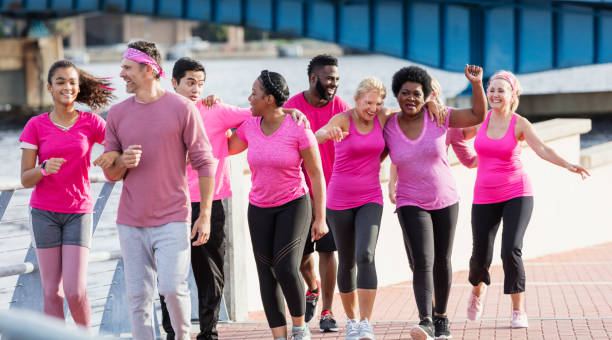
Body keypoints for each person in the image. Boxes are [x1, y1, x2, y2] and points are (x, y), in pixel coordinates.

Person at [159, 57, 308, 340]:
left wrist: (290, 111)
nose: (196, 89)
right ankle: (173, 333)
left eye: (201, 84)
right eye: (190, 82)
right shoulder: (161, 113)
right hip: (169, 203)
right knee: (169, 277)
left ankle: (208, 333)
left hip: (209, 203)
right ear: (174, 83)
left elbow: (262, 112)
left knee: (210, 275)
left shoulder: (215, 111)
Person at [101, 41, 216, 340]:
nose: (122, 73)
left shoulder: (182, 108)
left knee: (171, 288)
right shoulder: (116, 114)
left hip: (173, 217)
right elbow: (111, 173)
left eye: (127, 68)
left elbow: (205, 162)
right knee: (138, 297)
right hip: (130, 220)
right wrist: (122, 162)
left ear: (149, 70)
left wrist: (204, 215)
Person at [465, 70, 589, 329]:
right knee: (480, 256)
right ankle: (477, 292)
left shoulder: (519, 123)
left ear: (512, 95)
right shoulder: (482, 120)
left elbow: (542, 149)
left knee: (510, 249)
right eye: (492, 89)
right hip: (484, 195)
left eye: (501, 90)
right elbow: (455, 134)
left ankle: (518, 310)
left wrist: (568, 164)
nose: (495, 94)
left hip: (516, 192)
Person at [383, 65, 486, 340]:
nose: (411, 98)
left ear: (426, 95)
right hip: (409, 200)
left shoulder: (439, 116)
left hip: (445, 198)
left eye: (417, 93)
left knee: (442, 259)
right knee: (422, 260)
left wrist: (476, 84)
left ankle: (441, 318)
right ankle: (426, 319)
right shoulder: (389, 126)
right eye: (405, 93)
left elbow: (478, 114)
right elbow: (365, 146)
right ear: (397, 95)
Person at [228, 70, 327, 340]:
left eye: (254, 94)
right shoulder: (250, 125)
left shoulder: (297, 127)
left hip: (293, 204)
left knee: (284, 267)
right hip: (259, 208)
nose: (250, 98)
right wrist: (209, 112)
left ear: (269, 99)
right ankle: (279, 336)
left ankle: (299, 328)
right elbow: (226, 147)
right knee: (266, 273)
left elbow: (316, 173)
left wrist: (320, 217)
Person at [19, 59, 115, 328]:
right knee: (52, 292)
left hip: (78, 212)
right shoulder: (35, 125)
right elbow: (25, 178)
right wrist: (44, 168)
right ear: (49, 87)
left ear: (78, 87)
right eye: (60, 81)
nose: (67, 86)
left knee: (75, 291)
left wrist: (111, 156)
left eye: (72, 82)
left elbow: (116, 145)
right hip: (44, 214)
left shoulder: (91, 122)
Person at [313, 77, 393, 340]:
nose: (372, 107)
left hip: (371, 196)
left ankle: (366, 322)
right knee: (346, 260)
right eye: (368, 102)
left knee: (366, 255)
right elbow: (318, 135)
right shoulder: (344, 119)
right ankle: (351, 321)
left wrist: (433, 104)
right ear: (357, 100)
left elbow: (412, 110)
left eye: (377, 103)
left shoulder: (383, 117)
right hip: (339, 200)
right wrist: (329, 133)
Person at [283, 54, 349, 331]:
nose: (334, 83)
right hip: (297, 192)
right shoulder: (292, 107)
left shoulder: (341, 107)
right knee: (297, 256)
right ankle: (312, 287)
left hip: (332, 192)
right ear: (313, 79)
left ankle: (327, 311)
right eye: (328, 78)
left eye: (336, 78)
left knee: (327, 251)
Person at [388, 76, 477, 204]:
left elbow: (469, 161)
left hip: (442, 195)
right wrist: (391, 184)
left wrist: (495, 153)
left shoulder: (448, 122)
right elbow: (397, 159)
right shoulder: (404, 121)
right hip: (409, 196)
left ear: (433, 94)